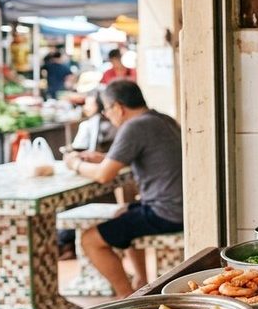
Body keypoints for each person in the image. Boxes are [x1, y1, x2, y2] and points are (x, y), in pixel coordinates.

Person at [63, 80, 182, 296]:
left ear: (118, 107)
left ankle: (126, 299)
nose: (107, 115)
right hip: (180, 206)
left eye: (107, 110)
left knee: (89, 239)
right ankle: (141, 281)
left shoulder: (134, 126)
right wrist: (102, 158)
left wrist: (75, 164)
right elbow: (131, 158)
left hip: (166, 212)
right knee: (123, 211)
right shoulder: (162, 119)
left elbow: (104, 175)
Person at [57, 91, 118, 260]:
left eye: (89, 103)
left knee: (69, 204)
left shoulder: (91, 125)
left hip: (98, 176)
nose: (85, 107)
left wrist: (75, 163)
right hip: (109, 184)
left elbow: (102, 175)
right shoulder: (114, 125)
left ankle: (65, 243)